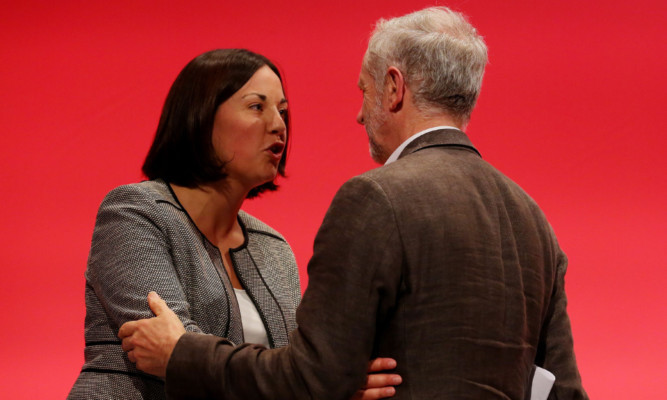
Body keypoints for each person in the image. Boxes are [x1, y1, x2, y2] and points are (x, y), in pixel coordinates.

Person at [119, 7, 589, 400]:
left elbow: (312, 378)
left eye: (364, 91)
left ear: (393, 86)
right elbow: (564, 392)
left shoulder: (375, 198)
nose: (360, 113)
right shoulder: (533, 220)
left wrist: (183, 355)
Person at [68, 49, 400, 399]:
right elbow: (175, 356)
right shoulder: (135, 212)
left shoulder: (272, 247)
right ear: (201, 116)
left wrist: (324, 379)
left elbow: (284, 367)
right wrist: (317, 382)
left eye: (282, 112)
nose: (278, 125)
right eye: (257, 107)